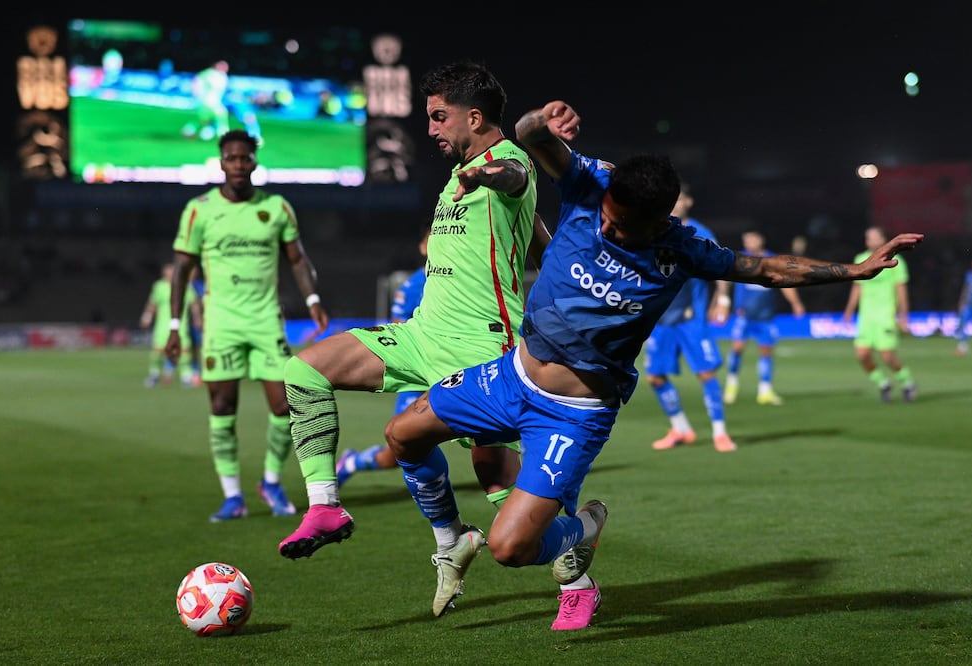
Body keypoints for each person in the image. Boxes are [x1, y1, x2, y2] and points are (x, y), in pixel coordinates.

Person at [384, 99, 924, 632]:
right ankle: (451, 541)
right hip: (511, 376)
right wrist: (539, 121)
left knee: (510, 548)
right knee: (403, 434)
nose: (611, 231)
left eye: (626, 228)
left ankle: (583, 527)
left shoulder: (683, 248)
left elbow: (764, 268)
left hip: (573, 413)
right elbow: (531, 136)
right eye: (609, 220)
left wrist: (851, 269)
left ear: (662, 219)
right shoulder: (588, 185)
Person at [275, 61, 552, 619]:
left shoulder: (506, 162)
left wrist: (487, 177)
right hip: (422, 334)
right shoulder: (457, 176)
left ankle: (577, 551)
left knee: (503, 496)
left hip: (481, 346)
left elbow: (515, 179)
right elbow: (535, 235)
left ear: (474, 117)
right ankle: (338, 510)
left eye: (438, 116)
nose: (430, 129)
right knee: (303, 373)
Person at [165, 129, 329, 522]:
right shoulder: (199, 209)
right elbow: (181, 270)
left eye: (245, 158)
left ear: (255, 162)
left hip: (264, 320)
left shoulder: (276, 207)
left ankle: (270, 481)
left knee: (284, 405)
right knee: (222, 406)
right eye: (231, 159)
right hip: (221, 323)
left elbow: (298, 259)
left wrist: (313, 300)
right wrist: (175, 324)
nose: (239, 165)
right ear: (221, 162)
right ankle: (232, 495)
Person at [335, 222, 430, 487]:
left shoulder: (462, 283)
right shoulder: (413, 287)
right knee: (396, 455)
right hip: (419, 377)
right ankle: (352, 462)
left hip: (450, 371)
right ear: (423, 247)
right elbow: (398, 332)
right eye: (431, 240)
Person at [645, 184, 737, 453]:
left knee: (706, 372)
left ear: (689, 202)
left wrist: (722, 299)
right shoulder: (651, 231)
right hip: (660, 320)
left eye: (679, 199)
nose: (674, 204)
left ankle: (720, 432)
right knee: (656, 377)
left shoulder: (700, 232)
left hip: (691, 318)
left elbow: (721, 266)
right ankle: (681, 428)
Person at [723, 229, 806, 405]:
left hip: (765, 316)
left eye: (752, 239)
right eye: (746, 240)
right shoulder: (739, 258)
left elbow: (785, 284)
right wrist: (720, 301)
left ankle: (765, 390)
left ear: (761, 239)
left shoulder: (772, 260)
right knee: (737, 348)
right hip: (743, 315)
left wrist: (795, 303)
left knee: (766, 351)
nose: (748, 243)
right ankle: (731, 384)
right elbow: (724, 279)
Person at [841, 226, 917, 402]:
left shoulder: (896, 261)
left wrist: (904, 316)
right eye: (868, 238)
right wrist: (849, 310)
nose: (870, 241)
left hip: (885, 316)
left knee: (887, 356)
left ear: (883, 239)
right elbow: (857, 287)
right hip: (866, 317)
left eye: (874, 237)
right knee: (862, 355)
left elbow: (901, 290)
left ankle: (907, 382)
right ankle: (883, 383)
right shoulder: (860, 259)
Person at [140, 262, 200, 388]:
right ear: (164, 273)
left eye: (173, 271)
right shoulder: (159, 286)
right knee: (157, 351)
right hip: (162, 325)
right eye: (169, 271)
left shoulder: (185, 286)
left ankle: (186, 376)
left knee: (184, 351)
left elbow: (194, 304)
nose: (172, 273)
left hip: (181, 324)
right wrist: (147, 317)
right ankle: (154, 374)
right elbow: (153, 304)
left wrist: (197, 318)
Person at [953, 256, 972, 356]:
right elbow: (966, 289)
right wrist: (961, 302)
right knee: (963, 324)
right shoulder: (970, 276)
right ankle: (963, 345)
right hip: (969, 305)